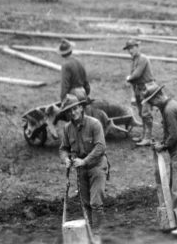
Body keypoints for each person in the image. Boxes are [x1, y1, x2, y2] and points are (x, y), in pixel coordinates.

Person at [143, 83, 177, 237]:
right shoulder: (172, 105)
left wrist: (162, 146)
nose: (152, 106)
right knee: (176, 186)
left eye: (152, 102)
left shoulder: (168, 110)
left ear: (158, 96)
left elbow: (174, 135)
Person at [59, 94, 108, 242]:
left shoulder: (94, 124)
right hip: (80, 170)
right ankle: (89, 232)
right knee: (85, 204)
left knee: (96, 203)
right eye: (69, 111)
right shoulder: (67, 129)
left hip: (97, 167)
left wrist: (85, 161)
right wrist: (66, 159)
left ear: (81, 107)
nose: (72, 113)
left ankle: (98, 234)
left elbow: (100, 147)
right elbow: (63, 148)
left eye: (75, 109)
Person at [123, 39, 156, 146]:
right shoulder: (134, 60)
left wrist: (129, 78)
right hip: (139, 89)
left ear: (137, 47)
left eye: (132, 48)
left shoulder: (143, 59)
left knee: (146, 113)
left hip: (147, 88)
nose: (130, 51)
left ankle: (148, 138)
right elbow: (133, 77)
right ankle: (144, 135)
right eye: (128, 49)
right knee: (141, 113)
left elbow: (136, 75)